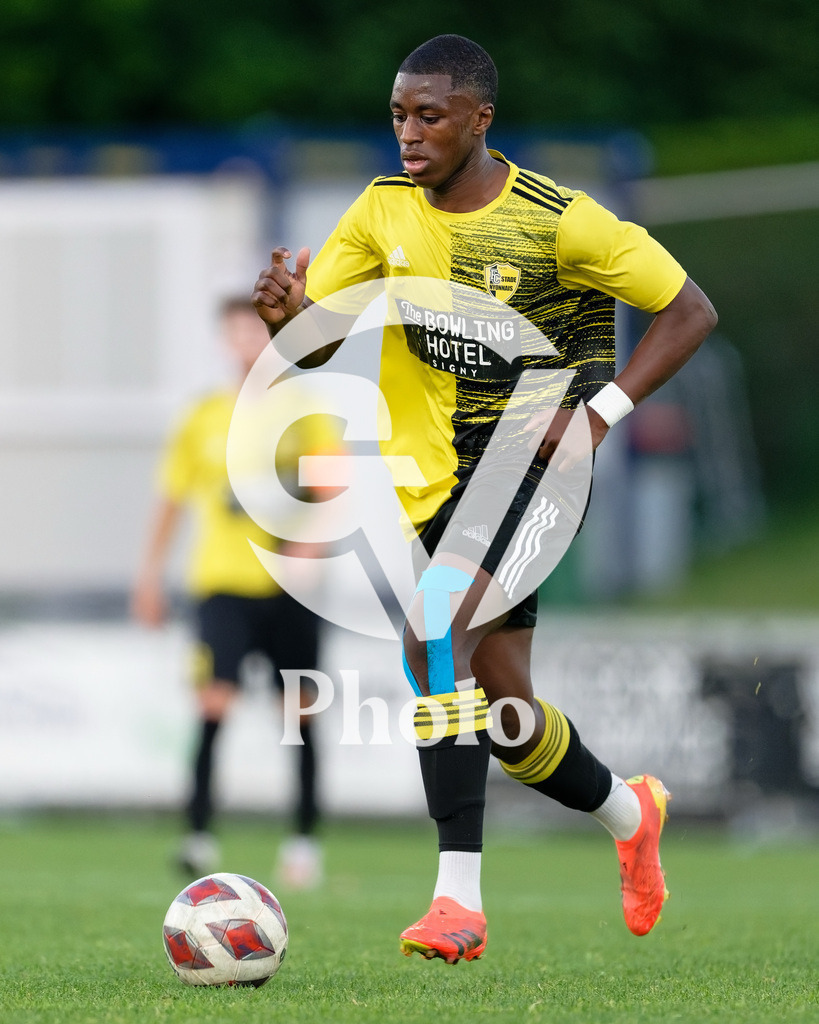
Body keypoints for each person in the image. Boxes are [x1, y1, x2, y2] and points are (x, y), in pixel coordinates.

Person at [251, 34, 718, 961]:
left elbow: (690, 310)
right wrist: (285, 320)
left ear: (479, 119)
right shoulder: (381, 211)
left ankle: (456, 903)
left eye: (428, 116)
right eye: (398, 116)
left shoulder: (560, 220)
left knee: (432, 632)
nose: (409, 135)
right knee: (503, 714)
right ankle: (633, 814)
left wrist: (598, 414)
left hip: (540, 463)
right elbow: (316, 338)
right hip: (435, 480)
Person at [132, 296, 337, 890]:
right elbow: (169, 502)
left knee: (298, 715)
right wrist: (148, 576)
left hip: (289, 590)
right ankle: (198, 835)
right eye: (236, 331)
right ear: (224, 338)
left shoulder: (302, 409)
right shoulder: (202, 416)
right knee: (213, 701)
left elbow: (333, 492)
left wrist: (306, 550)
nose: (248, 341)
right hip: (220, 584)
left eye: (257, 329)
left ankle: (303, 842)